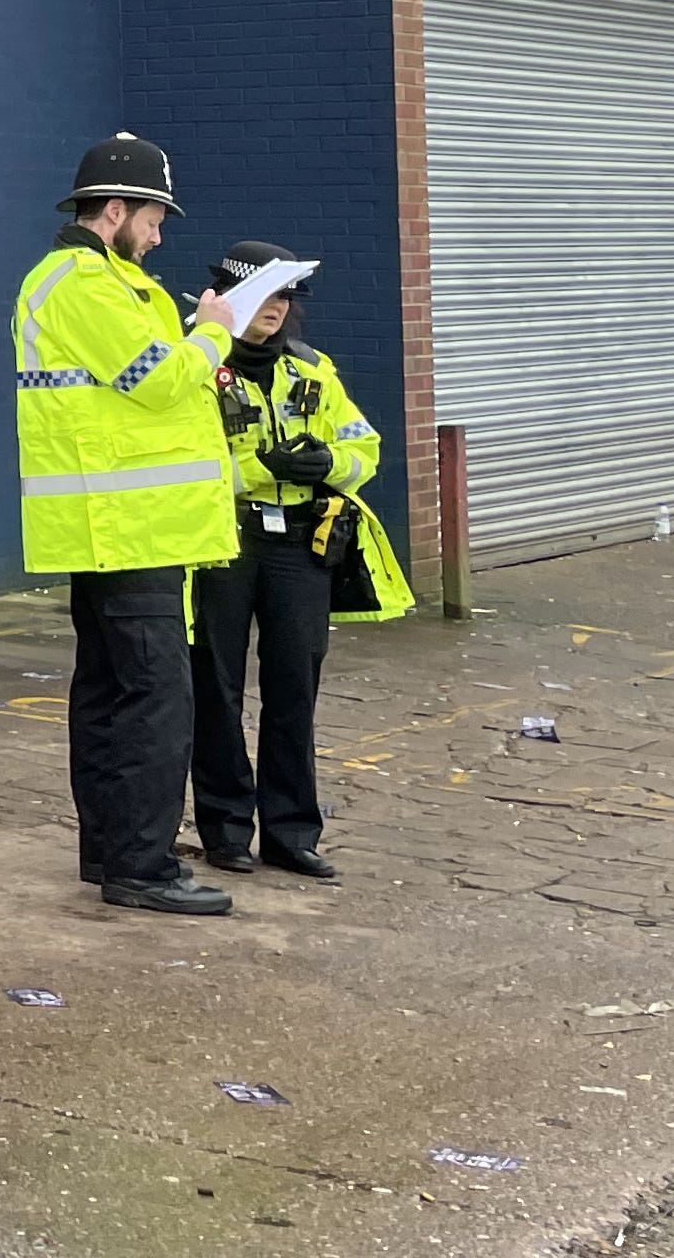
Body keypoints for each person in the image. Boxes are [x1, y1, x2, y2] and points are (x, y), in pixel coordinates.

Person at [15, 133, 244, 914]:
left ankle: (112, 851)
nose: (159, 233)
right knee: (153, 699)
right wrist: (216, 326)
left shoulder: (99, 282)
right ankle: (141, 867)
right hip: (127, 527)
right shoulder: (84, 283)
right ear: (114, 210)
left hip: (118, 523)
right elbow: (159, 381)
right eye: (153, 217)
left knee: (112, 694)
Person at [191, 242, 408, 881]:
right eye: (266, 295)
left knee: (295, 689)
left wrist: (328, 466)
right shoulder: (198, 365)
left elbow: (363, 446)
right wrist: (261, 469)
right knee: (217, 686)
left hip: (301, 543)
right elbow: (186, 467)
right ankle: (226, 830)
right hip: (225, 539)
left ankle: (291, 833)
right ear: (232, 299)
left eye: (287, 297)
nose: (278, 308)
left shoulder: (314, 369)